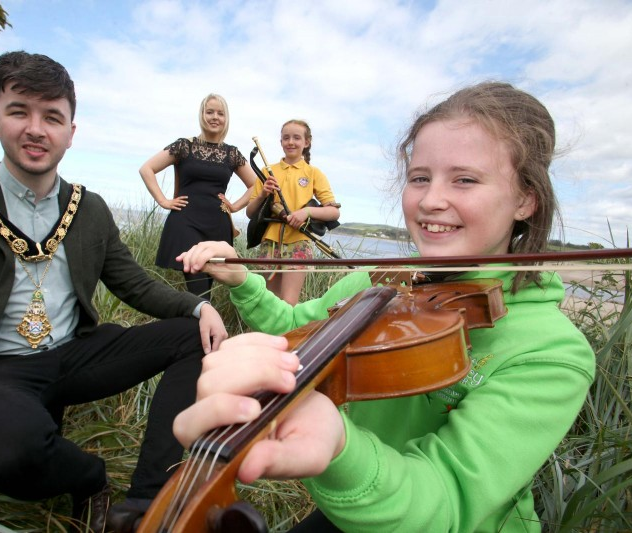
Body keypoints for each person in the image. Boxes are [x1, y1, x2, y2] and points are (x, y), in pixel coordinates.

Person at [174, 82, 595, 532]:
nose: (430, 200)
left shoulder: (552, 352)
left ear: (526, 199)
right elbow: (296, 325)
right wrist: (244, 279)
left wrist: (339, 446)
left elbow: (447, 498)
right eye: (419, 177)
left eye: (465, 179)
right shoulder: (380, 284)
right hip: (353, 502)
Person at [0, 51, 228, 533]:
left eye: (52, 116)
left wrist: (197, 307)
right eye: (18, 111)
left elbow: (130, 282)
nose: (36, 129)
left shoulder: (87, 208)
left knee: (195, 335)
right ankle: (89, 478)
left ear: (71, 132)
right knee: (11, 451)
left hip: (73, 356)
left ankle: (147, 502)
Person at [138, 93, 256, 300]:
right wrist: (163, 201)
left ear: (226, 119)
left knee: (206, 287)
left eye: (220, 113)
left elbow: (256, 185)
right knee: (198, 283)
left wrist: (235, 206)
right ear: (202, 115)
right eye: (209, 112)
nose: (214, 117)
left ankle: (198, 325)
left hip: (217, 224)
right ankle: (203, 325)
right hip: (186, 221)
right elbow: (146, 169)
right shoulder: (184, 146)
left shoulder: (232, 153)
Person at [246, 119, 340, 305]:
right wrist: (264, 193)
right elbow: (250, 212)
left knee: (288, 304)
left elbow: (333, 212)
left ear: (307, 142)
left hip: (299, 243)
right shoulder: (267, 171)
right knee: (268, 303)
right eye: (286, 138)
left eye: (296, 138)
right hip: (270, 243)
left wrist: (306, 212)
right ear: (280, 142)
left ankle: (287, 335)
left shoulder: (313, 173)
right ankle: (265, 335)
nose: (291, 142)